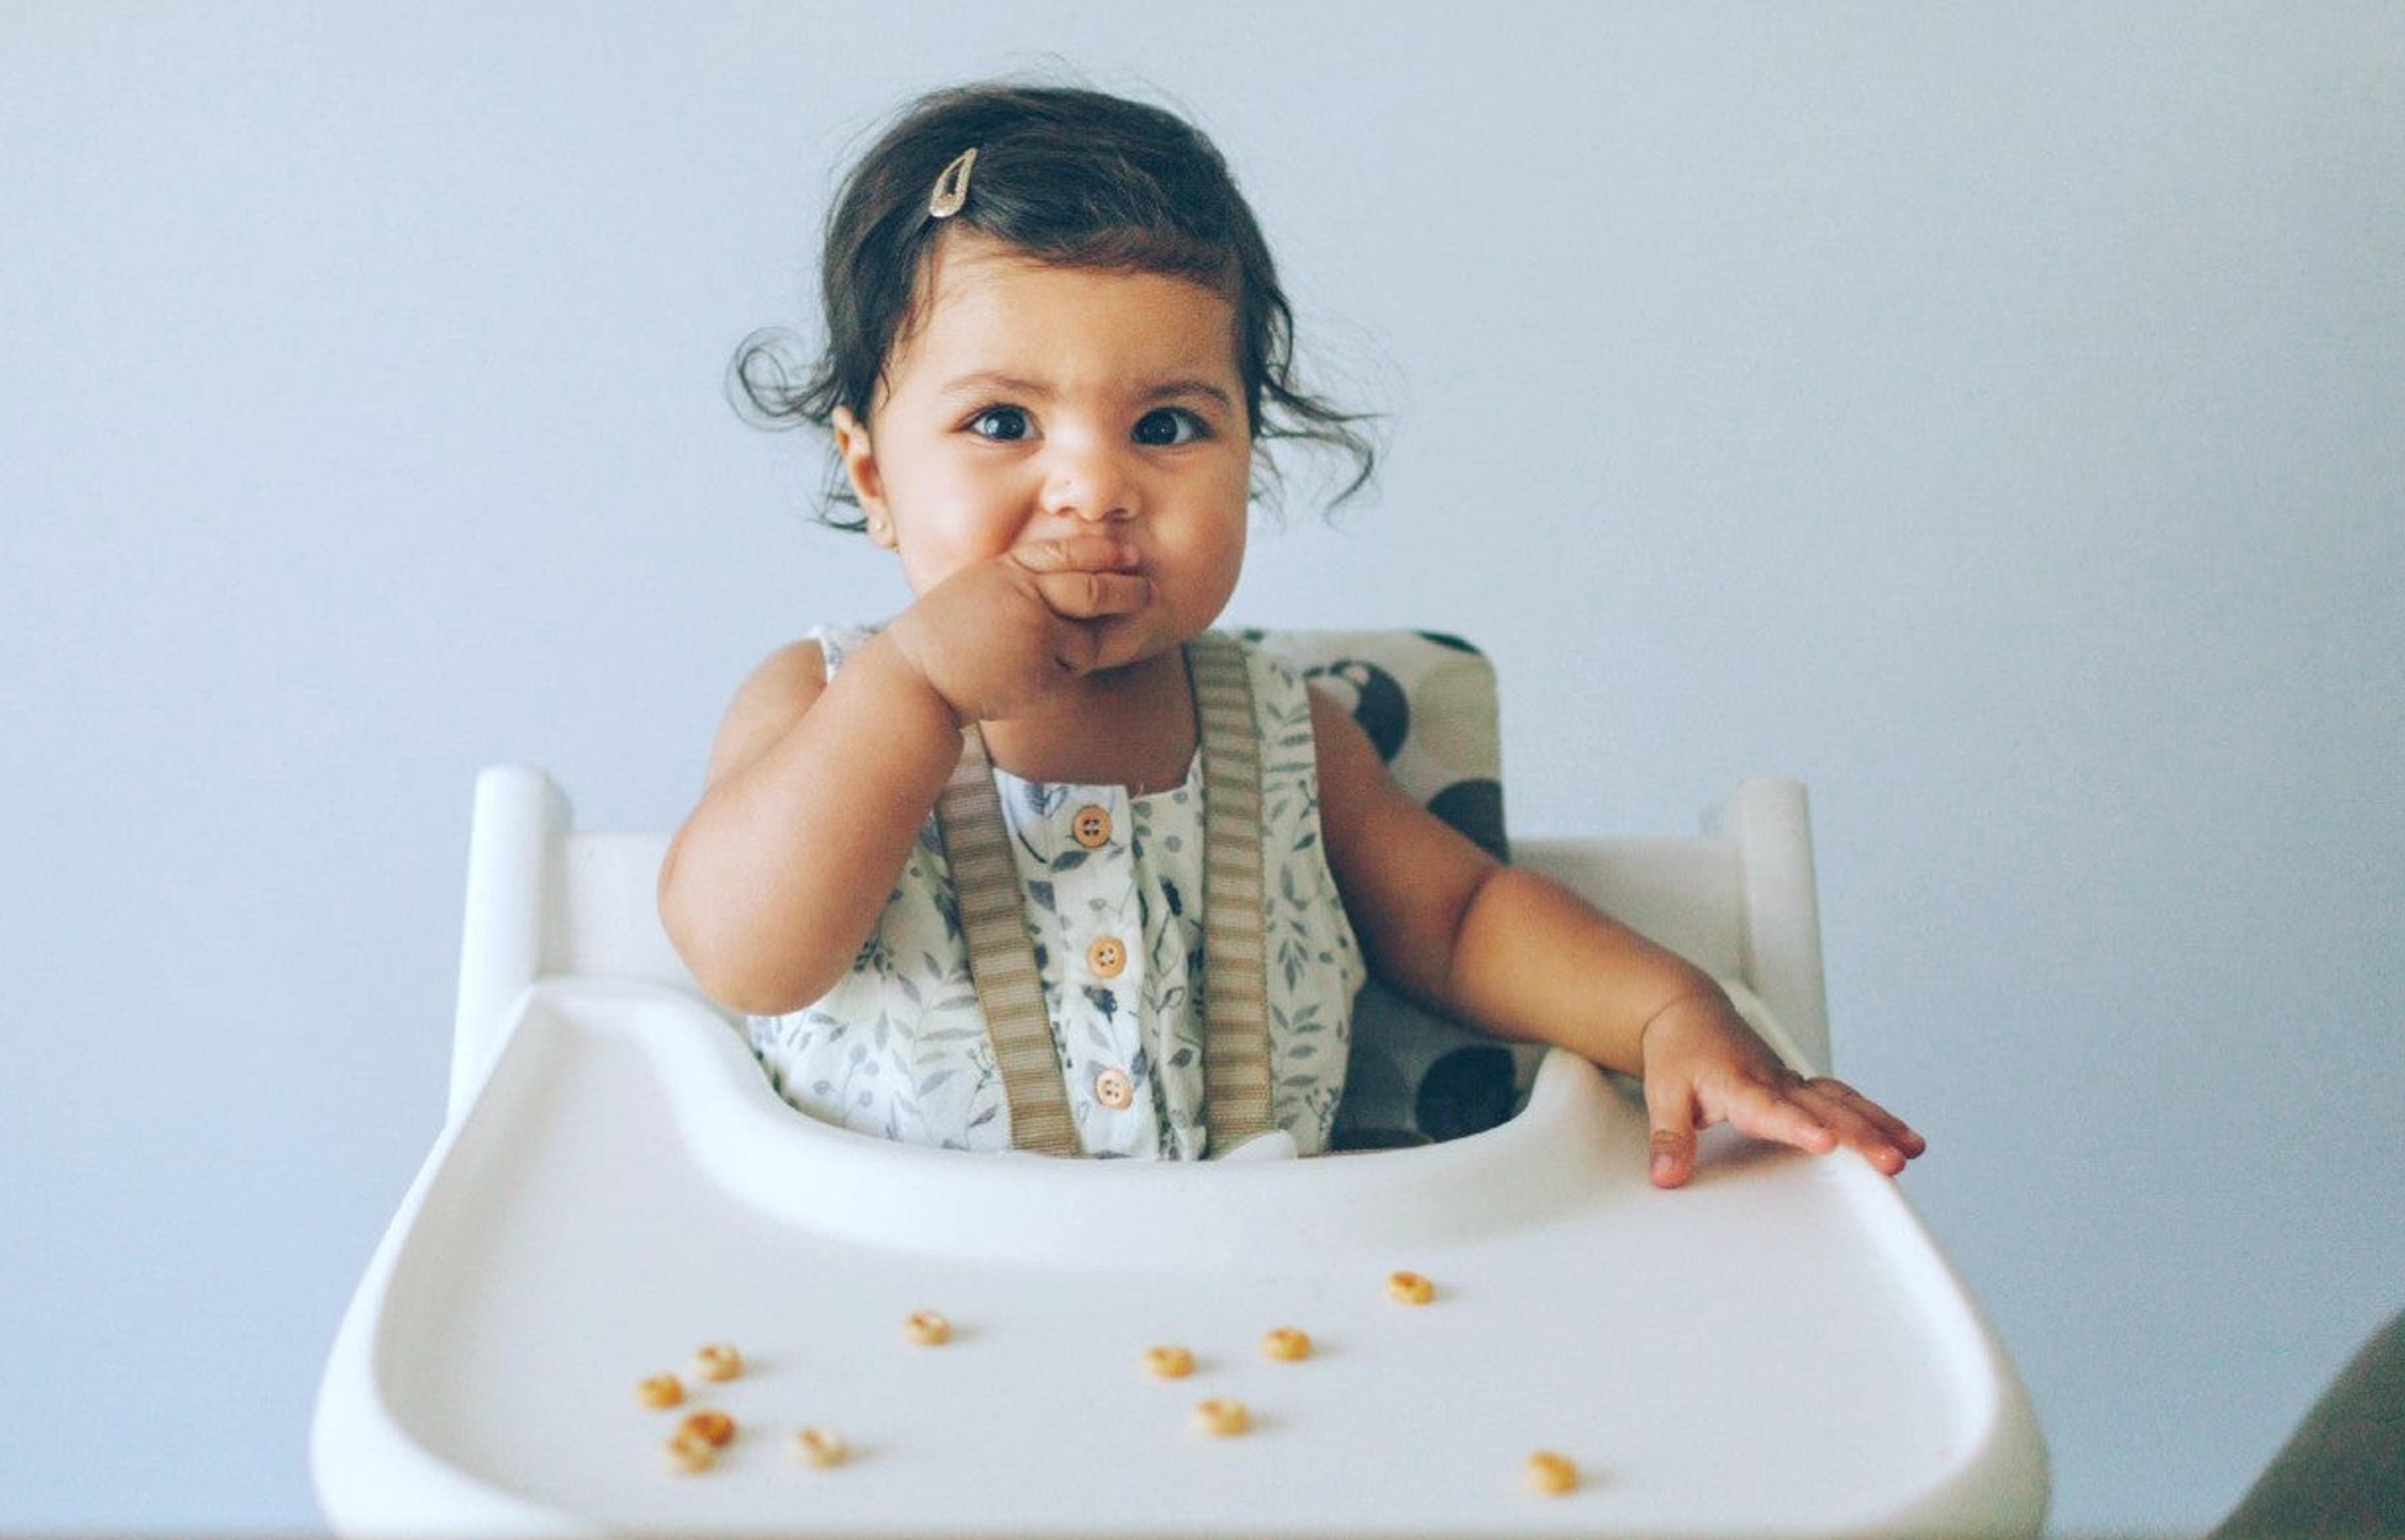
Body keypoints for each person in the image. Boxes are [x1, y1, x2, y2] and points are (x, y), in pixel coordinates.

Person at [658, 81, 1922, 1187]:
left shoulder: (1280, 726)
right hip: (890, 1286)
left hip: (1267, 1303)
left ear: (1249, 461)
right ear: (872, 479)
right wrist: (915, 689)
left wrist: (1665, 1012)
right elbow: (745, 955)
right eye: (1003, 424)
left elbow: (1463, 921)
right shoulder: (823, 696)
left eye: (1166, 427)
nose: (1095, 490)